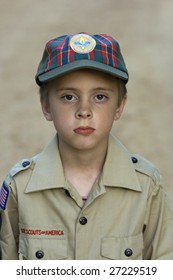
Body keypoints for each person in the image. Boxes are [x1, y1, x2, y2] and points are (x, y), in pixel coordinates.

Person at [0, 32, 173, 260]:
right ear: (46, 106)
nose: (84, 110)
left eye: (100, 97)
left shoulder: (147, 186)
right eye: (69, 97)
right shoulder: (19, 188)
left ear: (120, 106)